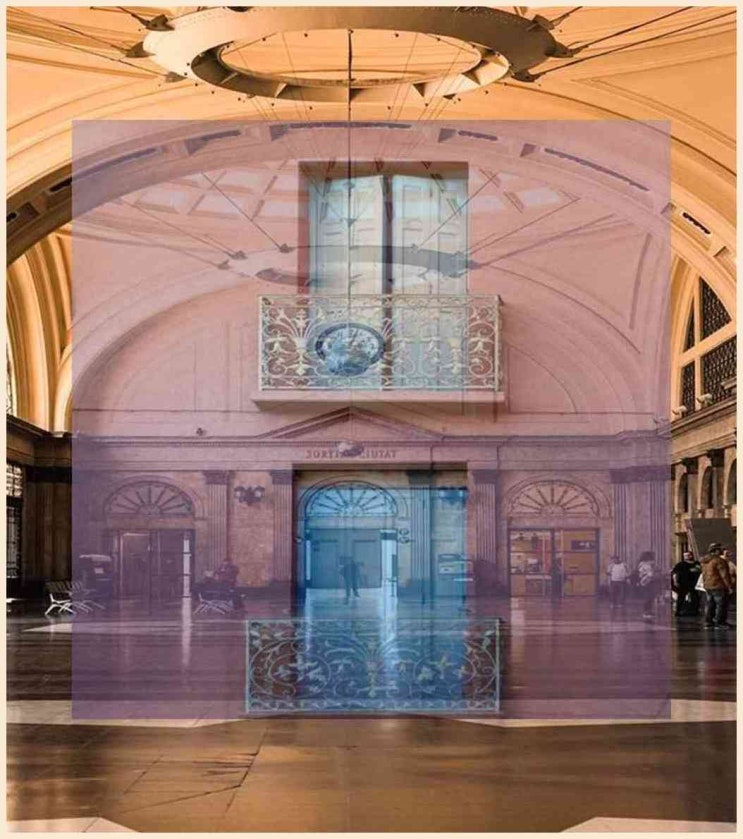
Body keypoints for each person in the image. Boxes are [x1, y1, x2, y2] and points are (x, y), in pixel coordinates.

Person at [700, 543, 733, 628]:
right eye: (721, 549)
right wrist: (729, 586)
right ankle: (720, 622)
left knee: (710, 604)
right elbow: (724, 575)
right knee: (721, 605)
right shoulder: (719, 560)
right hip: (719, 585)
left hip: (708, 585)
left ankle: (708, 622)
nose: (722, 551)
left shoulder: (704, 561)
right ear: (716, 550)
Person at [671, 551, 701, 617]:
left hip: (694, 584)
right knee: (681, 597)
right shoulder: (680, 564)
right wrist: (675, 581)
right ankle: (678, 611)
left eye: (688, 555)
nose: (687, 557)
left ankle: (695, 611)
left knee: (695, 597)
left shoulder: (697, 564)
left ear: (692, 555)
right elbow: (675, 574)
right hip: (683, 583)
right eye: (685, 556)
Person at [636, 551, 657, 620]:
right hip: (645, 581)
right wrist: (649, 575)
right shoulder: (643, 565)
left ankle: (649, 611)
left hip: (650, 581)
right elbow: (648, 573)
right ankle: (646, 612)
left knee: (651, 597)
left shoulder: (649, 565)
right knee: (648, 597)